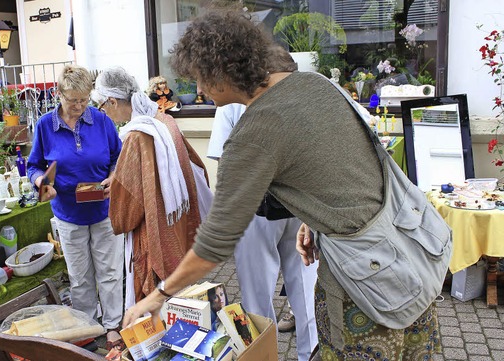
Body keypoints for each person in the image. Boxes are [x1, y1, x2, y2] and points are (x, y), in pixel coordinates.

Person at [123, 11, 441, 361]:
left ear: (221, 73)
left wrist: (158, 296)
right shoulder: (315, 84)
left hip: (369, 287)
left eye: (200, 78)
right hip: (412, 261)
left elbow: (215, 242)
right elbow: (354, 164)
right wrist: (315, 215)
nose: (198, 90)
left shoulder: (254, 132)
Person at [93, 66, 212, 308]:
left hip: (153, 232)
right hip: (178, 222)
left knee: (156, 303)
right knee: (182, 295)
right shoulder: (164, 120)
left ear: (113, 101)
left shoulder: (136, 137)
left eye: (102, 106)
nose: (103, 113)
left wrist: (114, 190)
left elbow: (127, 209)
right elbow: (194, 165)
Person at [209, 103, 318, 361]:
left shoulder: (230, 103)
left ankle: (263, 356)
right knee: (306, 290)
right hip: (299, 203)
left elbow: (227, 163)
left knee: (257, 296)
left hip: (255, 207)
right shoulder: (291, 91)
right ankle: (309, 355)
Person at [27, 64, 124, 350]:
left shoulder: (103, 121)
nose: (79, 106)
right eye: (73, 100)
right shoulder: (45, 125)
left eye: (84, 99)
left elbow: (118, 157)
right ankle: (87, 325)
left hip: (103, 210)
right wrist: (40, 181)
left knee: (109, 272)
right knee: (80, 276)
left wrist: (113, 176)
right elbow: (34, 165)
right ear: (59, 94)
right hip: (68, 213)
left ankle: (112, 325)